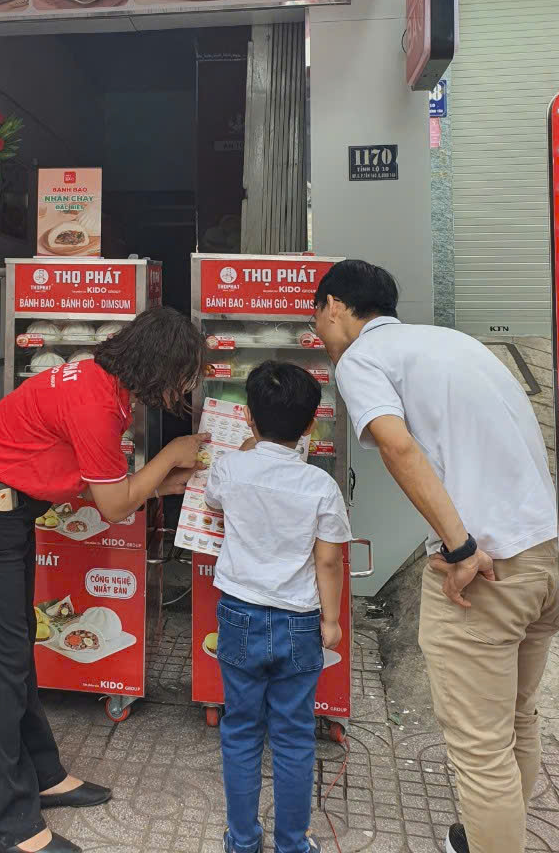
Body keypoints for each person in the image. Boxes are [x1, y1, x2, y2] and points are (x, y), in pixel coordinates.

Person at [0, 307, 208, 853]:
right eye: (185, 375)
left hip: (3, 509)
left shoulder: (101, 383)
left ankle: (43, 775)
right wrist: (168, 459)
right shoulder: (95, 402)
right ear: (159, 367)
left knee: (14, 647)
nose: (186, 388)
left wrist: (164, 481)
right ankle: (2, 825)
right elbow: (112, 506)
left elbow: (103, 483)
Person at [313, 260, 559, 853]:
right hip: (543, 553)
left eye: (317, 317)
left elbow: (396, 444)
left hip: (486, 566)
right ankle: (486, 835)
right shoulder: (453, 343)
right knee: (516, 722)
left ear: (336, 307)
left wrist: (461, 545)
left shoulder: (362, 360)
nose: (318, 332)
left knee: (479, 751)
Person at [205, 361, 351, 853]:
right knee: (293, 737)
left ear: (249, 417)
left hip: (240, 616)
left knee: (241, 731)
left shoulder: (230, 468)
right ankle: (292, 844)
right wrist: (331, 622)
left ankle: (242, 841)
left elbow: (215, 502)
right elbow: (329, 562)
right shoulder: (321, 487)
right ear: (311, 425)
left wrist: (246, 454)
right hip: (300, 621)